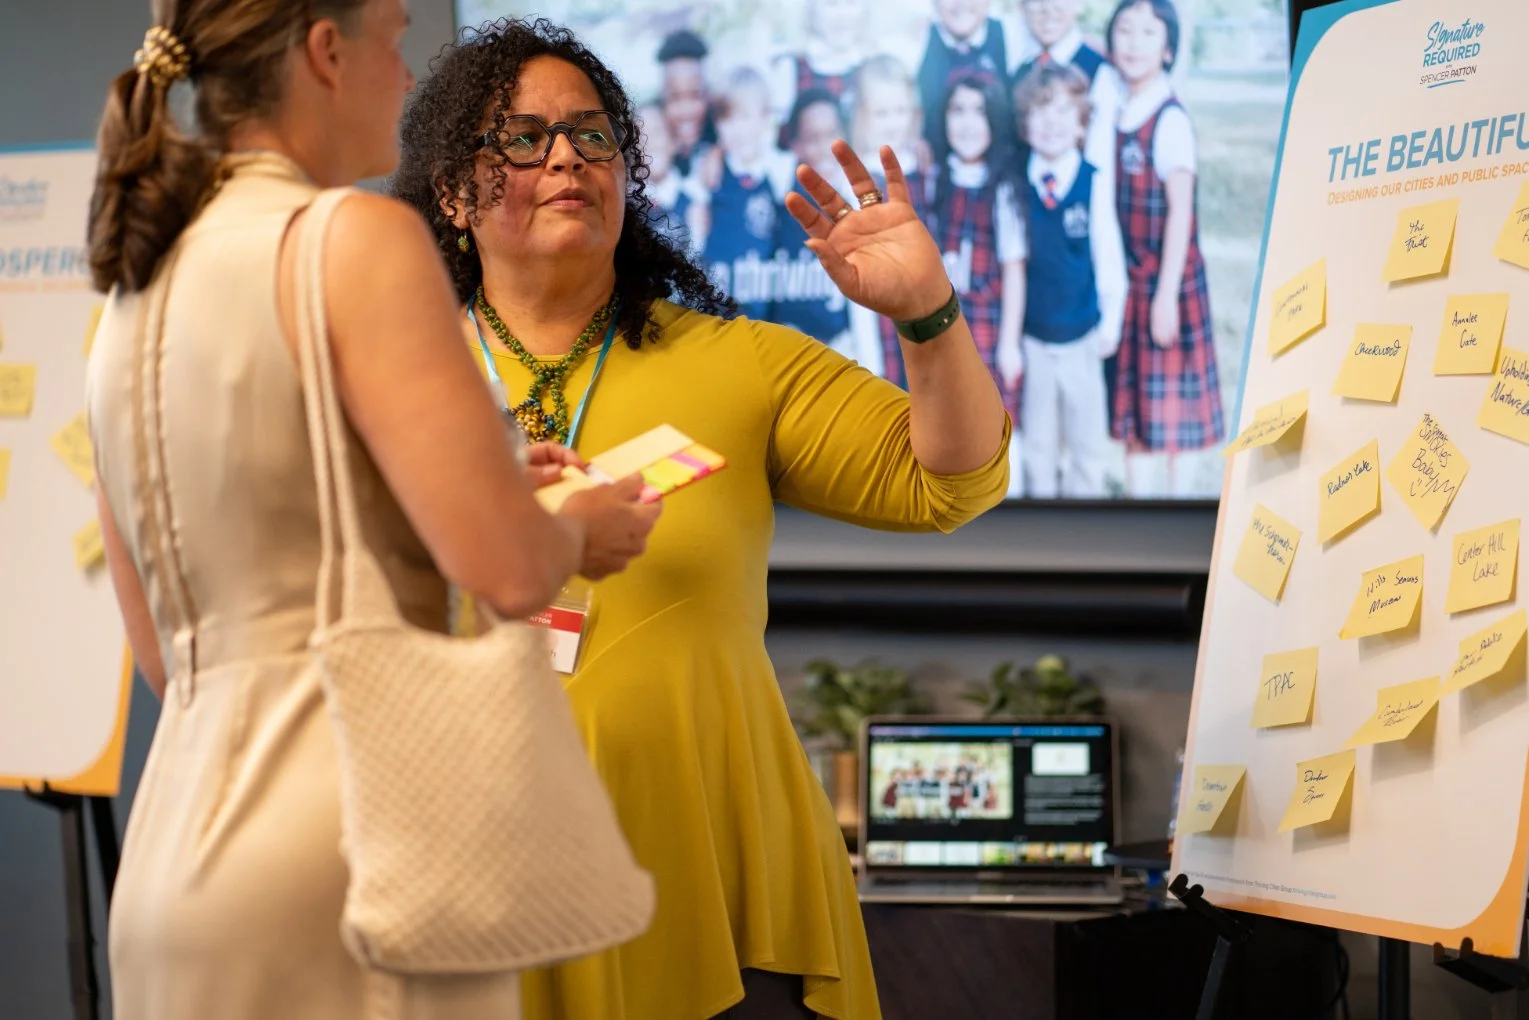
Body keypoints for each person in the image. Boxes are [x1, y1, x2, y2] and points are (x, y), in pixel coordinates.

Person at [393, 17, 1011, 1020]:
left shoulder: (735, 362)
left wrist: (927, 317)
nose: (566, 157)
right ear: (454, 193)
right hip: (468, 889)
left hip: (714, 897)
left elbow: (953, 478)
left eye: (593, 137)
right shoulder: (388, 377)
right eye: (522, 136)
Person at [83, 2, 659, 1018]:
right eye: (395, 40)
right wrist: (579, 527)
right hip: (351, 853)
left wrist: (443, 488)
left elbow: (165, 652)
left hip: (174, 852)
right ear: (326, 50)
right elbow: (514, 570)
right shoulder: (352, 238)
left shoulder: (132, 290)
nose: (405, 79)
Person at [1107, 0, 1223, 497]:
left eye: (1148, 33)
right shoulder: (1116, 105)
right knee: (1138, 407)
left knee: (1178, 413)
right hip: (1133, 278)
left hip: (1166, 280)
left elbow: (1180, 212)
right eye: (1125, 31)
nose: (1134, 43)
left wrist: (1165, 295)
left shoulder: (1169, 117)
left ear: (1169, 47)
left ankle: (1180, 503)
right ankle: (1140, 502)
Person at [1013, 63, 1126, 498]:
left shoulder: (1090, 182)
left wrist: (1110, 323)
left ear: (1081, 123)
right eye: (1041, 112)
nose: (1052, 123)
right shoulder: (1019, 185)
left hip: (1082, 337)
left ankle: (1090, 523)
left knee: (1086, 441)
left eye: (1064, 112)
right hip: (1036, 341)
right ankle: (1044, 534)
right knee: (1039, 444)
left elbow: (1108, 258)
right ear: (1025, 125)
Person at [924, 73, 1026, 498]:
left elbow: (1014, 270)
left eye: (980, 112)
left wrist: (1009, 344)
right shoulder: (933, 179)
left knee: (996, 431)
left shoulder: (1001, 187)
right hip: (939, 333)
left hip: (985, 329)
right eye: (958, 111)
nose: (968, 123)